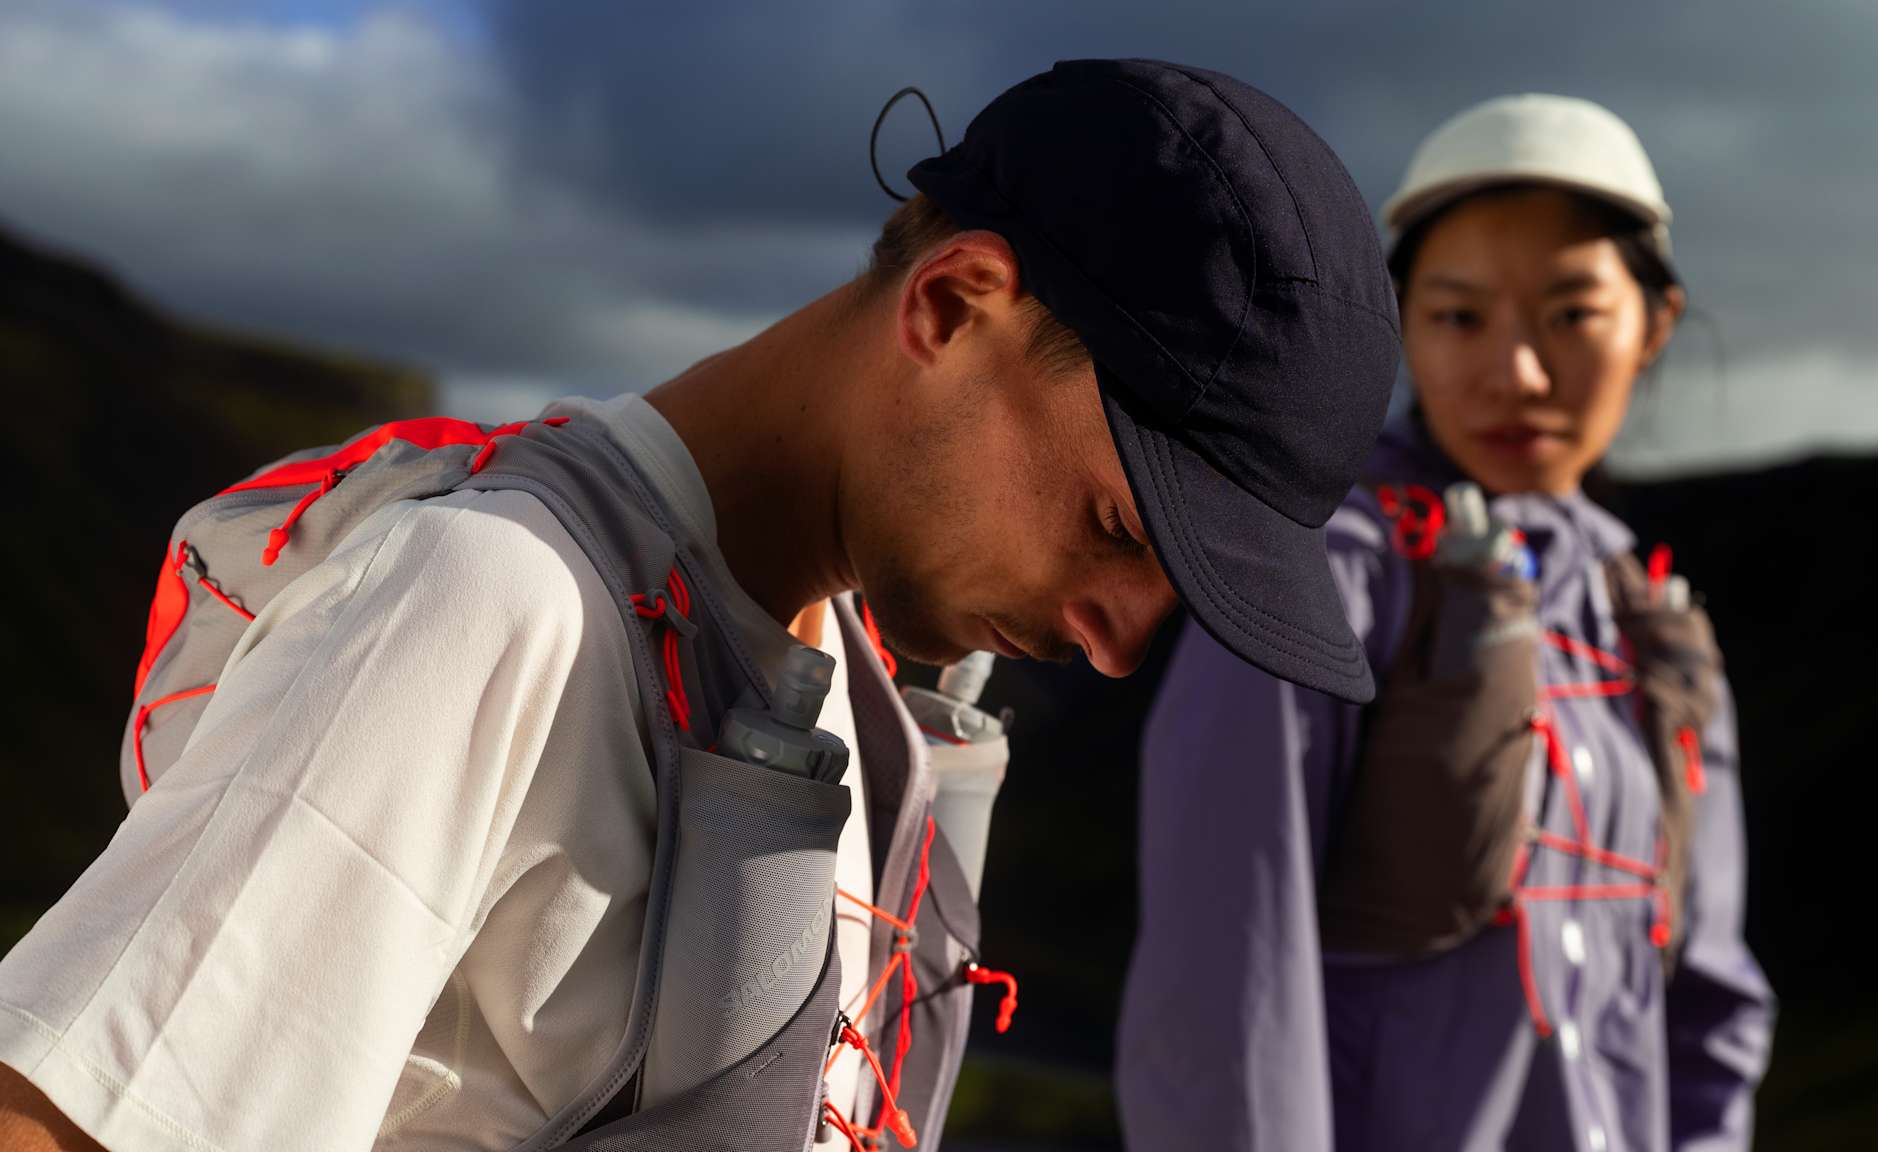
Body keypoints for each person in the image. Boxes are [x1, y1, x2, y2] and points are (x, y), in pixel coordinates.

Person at [0, 59, 1401, 1151]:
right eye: (1117, 529)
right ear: (953, 305)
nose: (1118, 640)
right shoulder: (490, 604)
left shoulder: (850, 700)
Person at [1119, 94, 1775, 1151]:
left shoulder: (1652, 627)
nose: (1516, 372)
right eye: (1460, 317)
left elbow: (1707, 1005)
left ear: (1653, 325)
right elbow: (1222, 991)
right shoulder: (1322, 581)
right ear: (1400, 322)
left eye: (1571, 315)